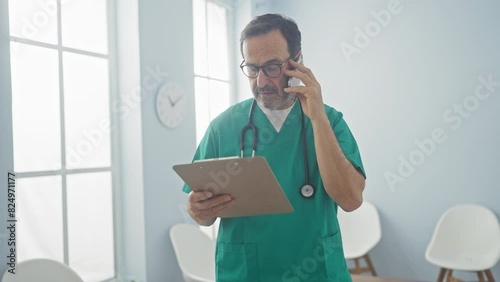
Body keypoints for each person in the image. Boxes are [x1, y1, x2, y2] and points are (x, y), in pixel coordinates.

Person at [182, 13, 366, 282]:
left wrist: (318, 119)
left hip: (316, 271)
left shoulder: (330, 122)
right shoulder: (223, 127)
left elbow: (351, 200)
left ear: (297, 61)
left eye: (271, 67)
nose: (260, 81)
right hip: (248, 272)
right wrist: (197, 210)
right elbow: (203, 216)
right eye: (252, 69)